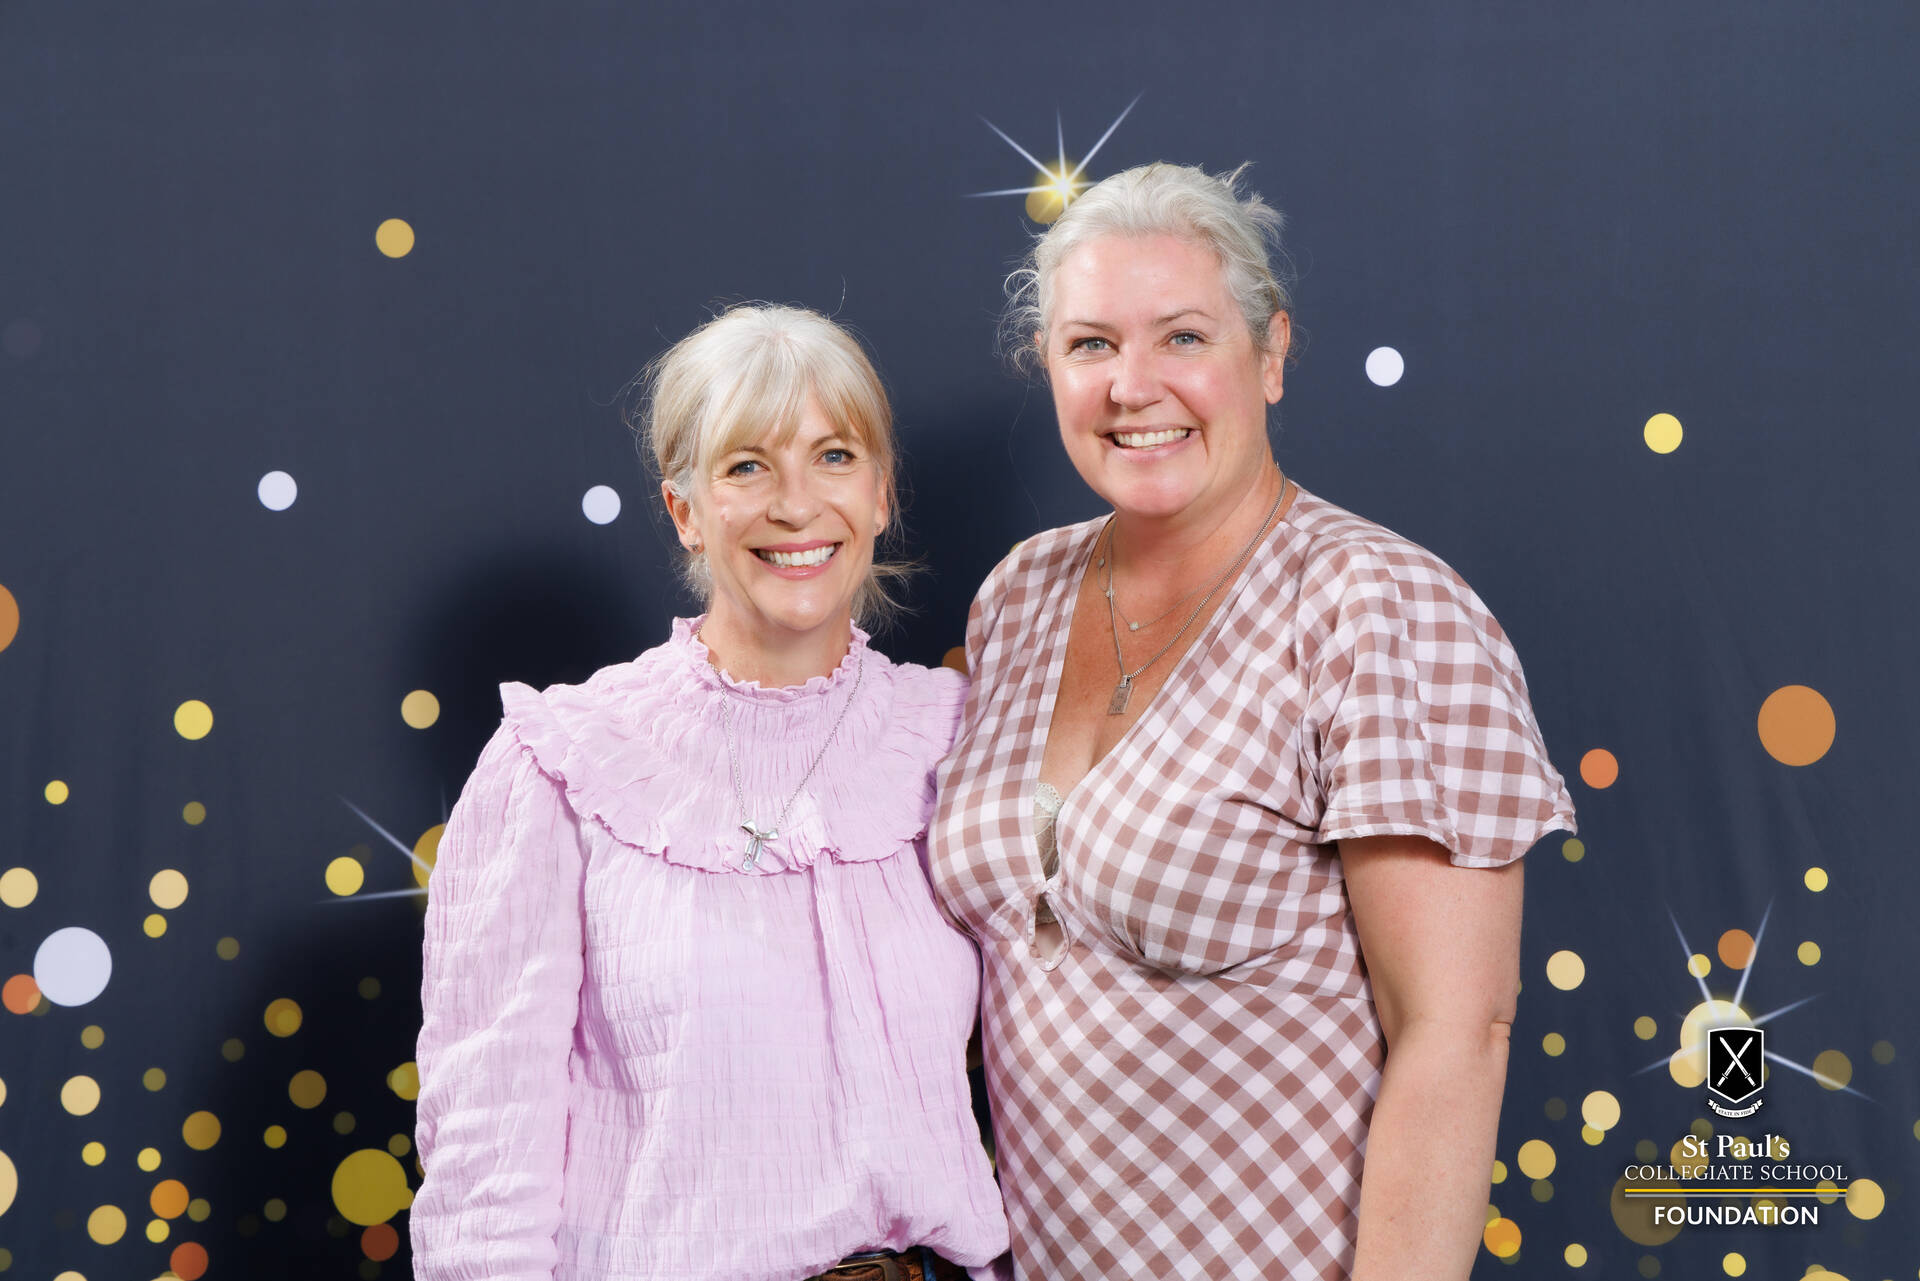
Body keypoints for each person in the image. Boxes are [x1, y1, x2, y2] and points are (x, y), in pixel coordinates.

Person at [929, 164, 1577, 1280]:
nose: (1133, 386)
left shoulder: (1375, 605)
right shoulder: (1019, 595)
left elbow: (1456, 1032)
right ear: (1048, 364)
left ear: (1271, 354)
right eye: (1090, 345)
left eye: (1183, 337)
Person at [412, 304, 1009, 1281]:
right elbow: (485, 1161)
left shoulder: (964, 737)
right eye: (746, 467)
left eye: (833, 456)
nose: (796, 505)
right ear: (685, 509)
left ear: (881, 494)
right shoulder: (560, 763)